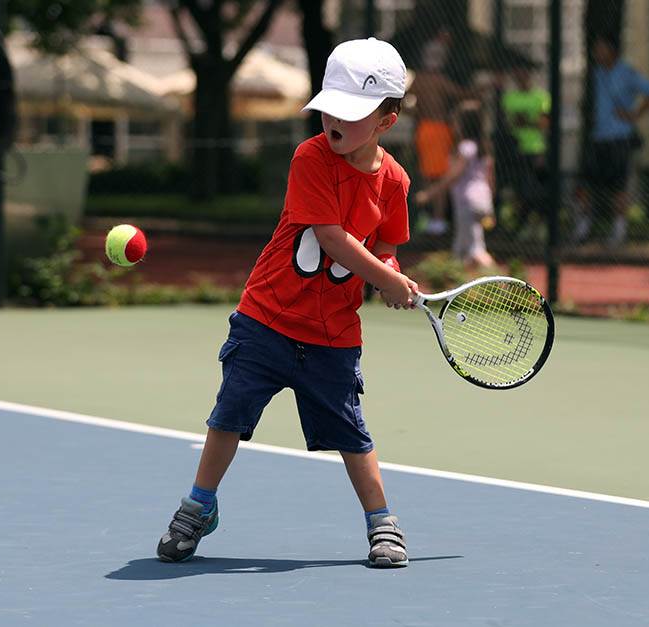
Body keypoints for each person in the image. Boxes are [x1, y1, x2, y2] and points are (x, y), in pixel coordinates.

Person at [156, 37, 418, 568]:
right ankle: (198, 505)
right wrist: (385, 281)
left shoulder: (395, 182)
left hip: (333, 335)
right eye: (329, 108)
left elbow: (386, 244)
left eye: (350, 113)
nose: (332, 122)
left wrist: (389, 270)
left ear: (386, 121)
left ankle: (382, 523)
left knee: (352, 432)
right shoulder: (310, 158)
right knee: (227, 415)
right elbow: (332, 237)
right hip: (267, 319)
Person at [574, 35, 649, 246]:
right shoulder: (596, 74)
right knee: (584, 184)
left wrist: (635, 115)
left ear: (612, 50)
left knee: (619, 187)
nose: (597, 53)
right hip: (598, 139)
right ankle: (583, 227)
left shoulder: (627, 73)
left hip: (619, 139)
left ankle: (619, 231)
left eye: (601, 48)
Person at [405, 27, 477, 236]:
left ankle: (432, 218)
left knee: (429, 175)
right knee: (438, 176)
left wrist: (415, 113)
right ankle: (436, 219)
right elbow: (463, 94)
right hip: (436, 129)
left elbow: (403, 101)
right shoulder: (437, 80)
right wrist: (484, 88)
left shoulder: (419, 79)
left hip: (424, 129)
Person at [415, 103, 496, 268]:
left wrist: (429, 193)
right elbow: (491, 180)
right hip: (483, 201)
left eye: (456, 122)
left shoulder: (465, 148)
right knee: (461, 248)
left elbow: (452, 176)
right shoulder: (485, 148)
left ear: (464, 125)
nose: (453, 126)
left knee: (475, 250)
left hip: (467, 202)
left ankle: (498, 282)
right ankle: (463, 285)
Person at [500, 67, 550, 234]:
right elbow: (509, 123)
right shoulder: (509, 98)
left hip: (535, 149)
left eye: (524, 72)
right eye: (518, 73)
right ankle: (522, 225)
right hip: (515, 150)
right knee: (520, 190)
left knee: (536, 189)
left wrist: (525, 121)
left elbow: (543, 123)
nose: (521, 76)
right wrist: (527, 121)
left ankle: (539, 224)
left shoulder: (541, 96)